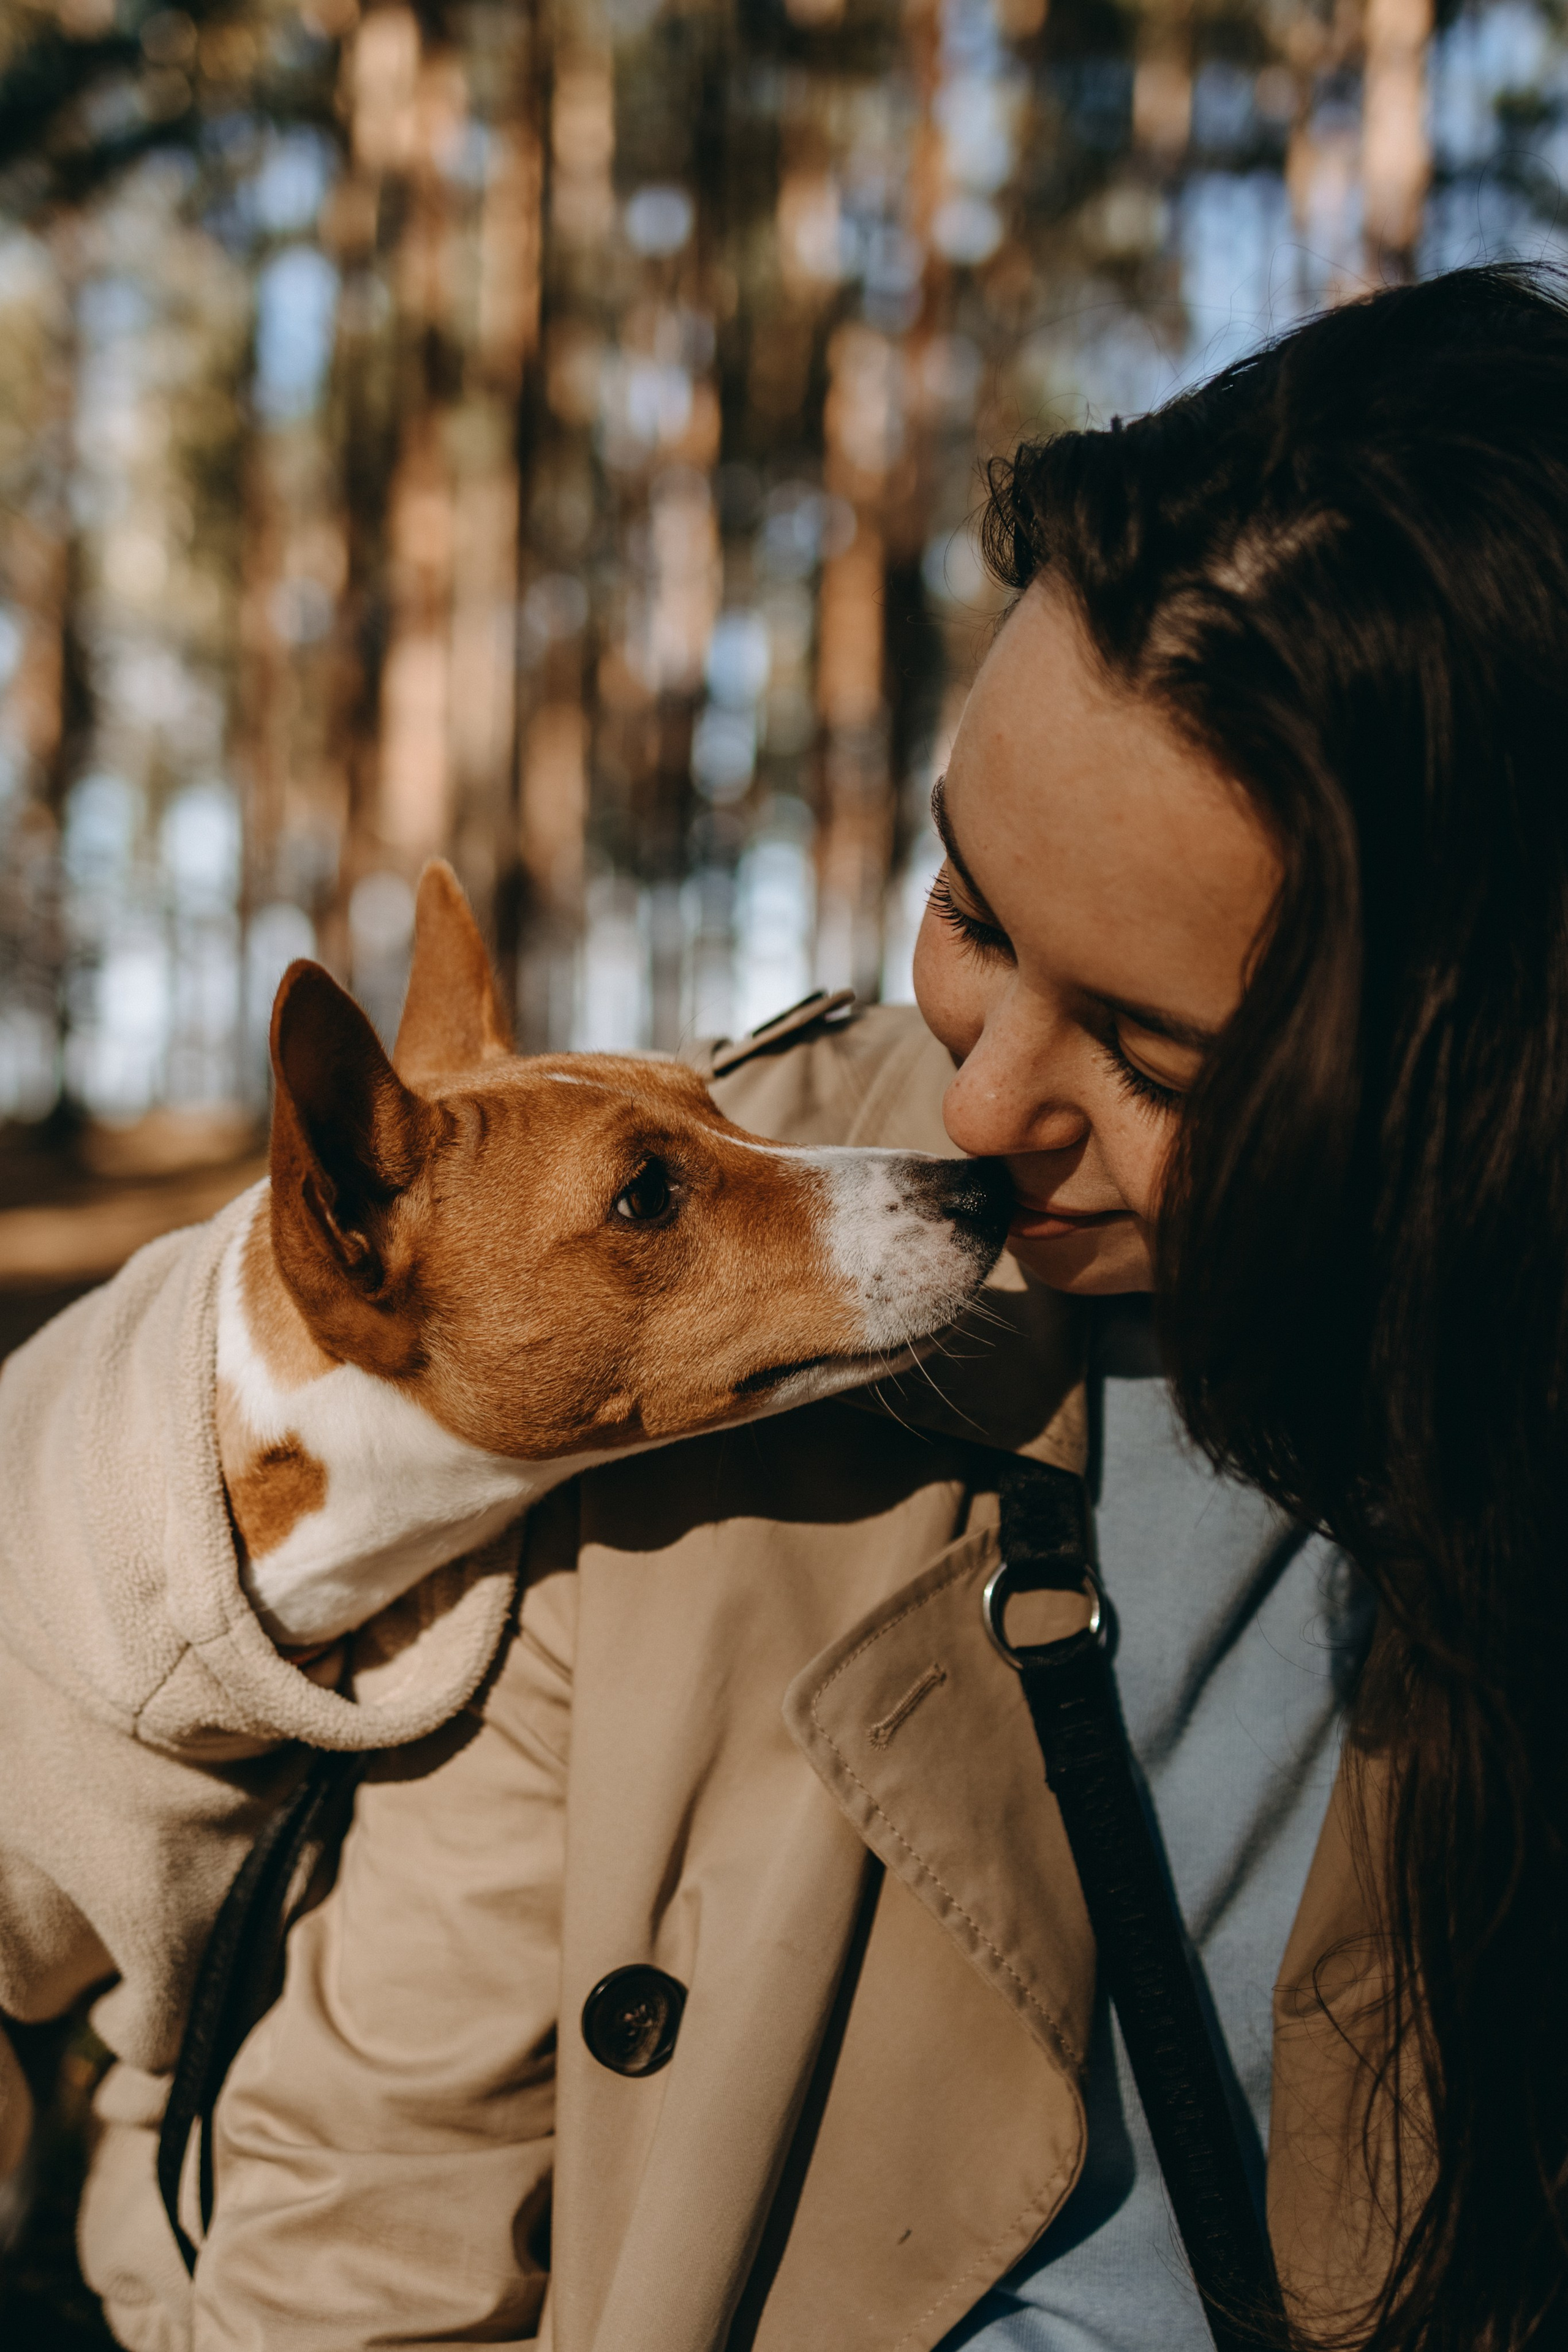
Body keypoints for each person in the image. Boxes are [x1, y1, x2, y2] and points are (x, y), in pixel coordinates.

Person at [121, 262, 1567, 2352]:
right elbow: (369, 2204)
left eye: (1156, 1064)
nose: (974, 1109)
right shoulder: (675, 1351)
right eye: (967, 909)